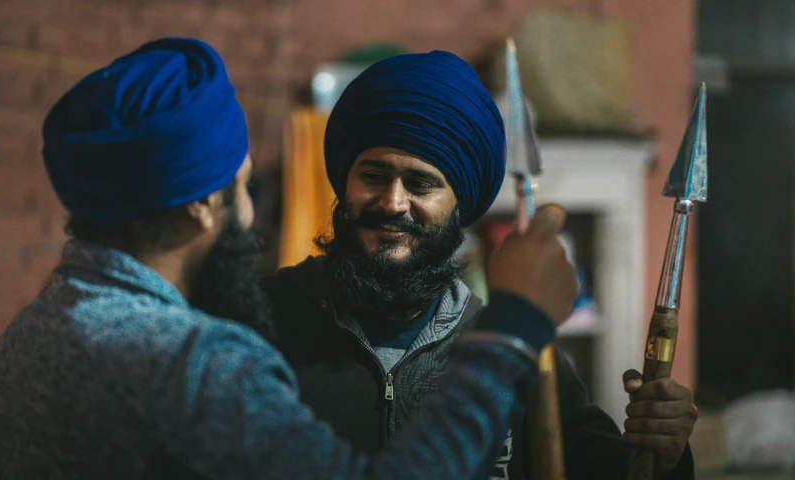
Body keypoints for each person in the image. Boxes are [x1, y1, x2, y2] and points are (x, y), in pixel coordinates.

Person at [0, 38, 579, 480]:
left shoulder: (21, 342)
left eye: (421, 184)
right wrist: (515, 332)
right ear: (204, 207)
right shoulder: (199, 364)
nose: (248, 210)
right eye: (245, 187)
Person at [262, 50, 699, 479]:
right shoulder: (264, 323)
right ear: (344, 180)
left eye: (421, 184)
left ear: (460, 205)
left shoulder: (518, 354)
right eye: (373, 176)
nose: (393, 203)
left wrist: (664, 455)